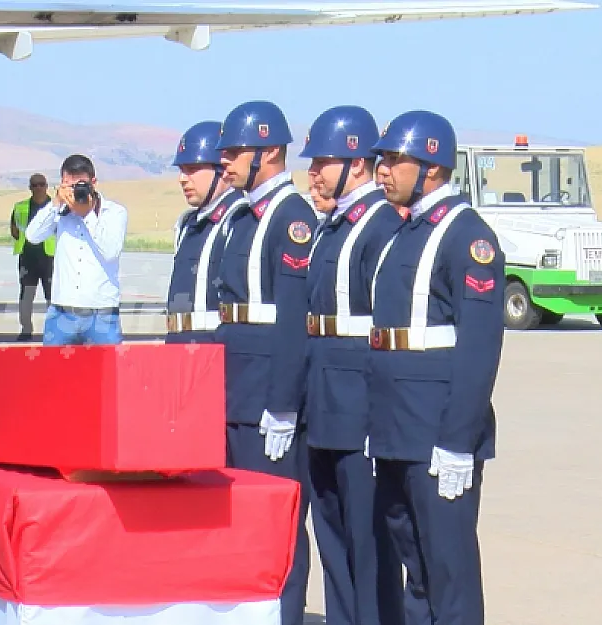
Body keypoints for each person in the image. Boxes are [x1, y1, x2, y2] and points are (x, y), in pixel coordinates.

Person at [367, 110, 504, 625]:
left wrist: (456, 441)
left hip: (436, 432)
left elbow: (479, 348)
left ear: (431, 166)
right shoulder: (406, 231)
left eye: (394, 160)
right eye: (381, 160)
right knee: (417, 571)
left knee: (449, 573)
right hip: (397, 429)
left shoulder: (467, 237)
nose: (382, 171)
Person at [300, 105, 409, 625]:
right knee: (335, 540)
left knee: (369, 548)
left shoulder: (383, 225)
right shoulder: (335, 224)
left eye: (324, 160)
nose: (314, 171)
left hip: (359, 405)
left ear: (357, 165)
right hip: (324, 400)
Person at [213, 100, 318, 625]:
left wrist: (283, 404)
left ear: (270, 153)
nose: (225, 161)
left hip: (264, 395)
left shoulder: (292, 217)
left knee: (275, 525)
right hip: (233, 387)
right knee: (234, 520)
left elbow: (292, 318)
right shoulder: (238, 215)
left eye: (236, 152)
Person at [25, 154, 129, 346]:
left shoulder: (114, 212)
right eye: (69, 186)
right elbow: (32, 236)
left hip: (102, 314)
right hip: (62, 312)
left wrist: (87, 215)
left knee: (107, 375)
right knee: (53, 374)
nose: (75, 192)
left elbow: (111, 251)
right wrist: (55, 203)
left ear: (94, 183)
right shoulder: (60, 212)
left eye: (81, 185)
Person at [164, 120, 246, 345]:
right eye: (181, 170)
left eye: (192, 169)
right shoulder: (187, 223)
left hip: (213, 344)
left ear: (222, 170)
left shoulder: (240, 218)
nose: (182, 179)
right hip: (179, 342)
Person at [10, 172, 55, 340]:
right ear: (30, 187)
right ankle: (26, 329)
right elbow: (14, 229)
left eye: (41, 184)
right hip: (28, 258)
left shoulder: (56, 208)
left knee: (52, 296)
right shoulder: (20, 207)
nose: (38, 188)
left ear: (46, 186)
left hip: (50, 257)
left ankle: (52, 330)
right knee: (26, 295)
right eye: (35, 185)